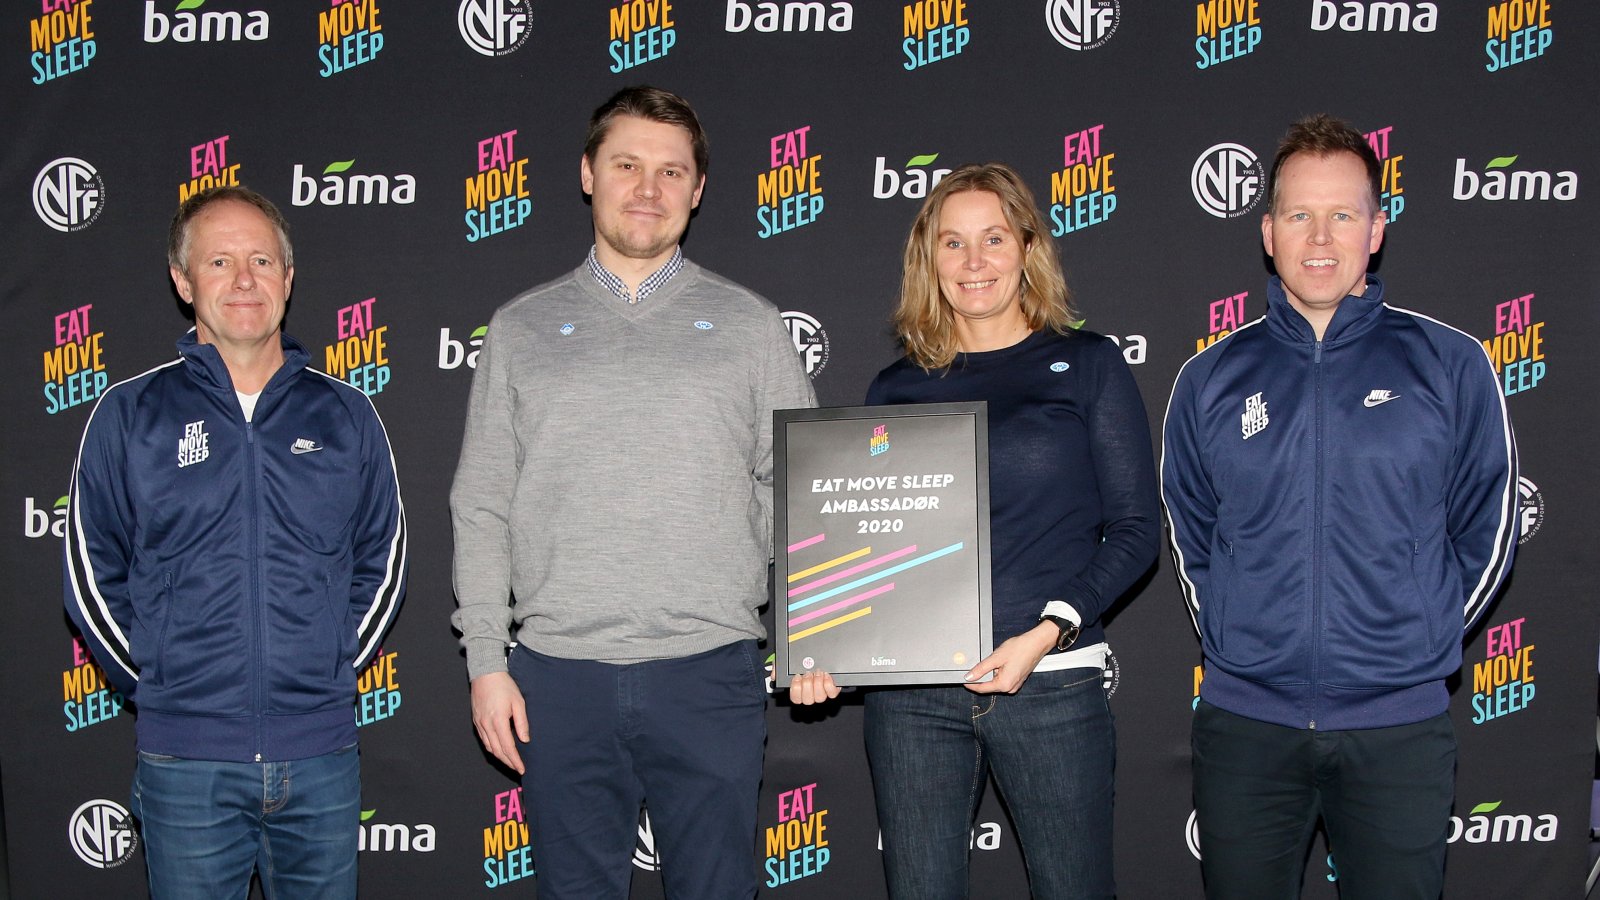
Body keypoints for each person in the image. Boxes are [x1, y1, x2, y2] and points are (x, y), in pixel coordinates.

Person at [450, 85, 816, 899]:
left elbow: (801, 491)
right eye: (626, 165)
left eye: (670, 170)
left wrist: (815, 629)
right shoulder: (522, 328)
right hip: (556, 675)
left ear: (698, 189)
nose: (647, 189)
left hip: (711, 671)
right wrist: (485, 661)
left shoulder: (753, 327)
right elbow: (482, 504)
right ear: (587, 174)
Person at [1162, 114, 1518, 899]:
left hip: (1399, 727)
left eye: (1343, 214)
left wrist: (1414, 639)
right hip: (1246, 726)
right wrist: (1235, 630)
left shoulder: (1451, 363)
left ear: (1376, 229)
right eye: (1298, 214)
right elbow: (1191, 531)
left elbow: (1488, 524)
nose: (1319, 236)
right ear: (1267, 231)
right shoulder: (1209, 378)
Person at [792, 163, 1160, 899]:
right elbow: (867, 539)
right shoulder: (895, 387)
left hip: (1051, 684)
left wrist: (1046, 632)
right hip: (913, 700)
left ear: (1028, 246)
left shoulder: (1086, 364)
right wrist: (826, 644)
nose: (974, 262)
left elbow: (1135, 530)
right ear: (928, 258)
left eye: (993, 238)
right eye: (952, 243)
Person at [64, 185, 408, 899]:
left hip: (320, 758)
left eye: (260, 259)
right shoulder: (130, 415)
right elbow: (91, 573)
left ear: (287, 277)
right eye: (219, 262)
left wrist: (327, 667)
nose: (244, 279)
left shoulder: (348, 415)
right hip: (186, 763)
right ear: (183, 282)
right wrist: (164, 682)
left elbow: (383, 559)